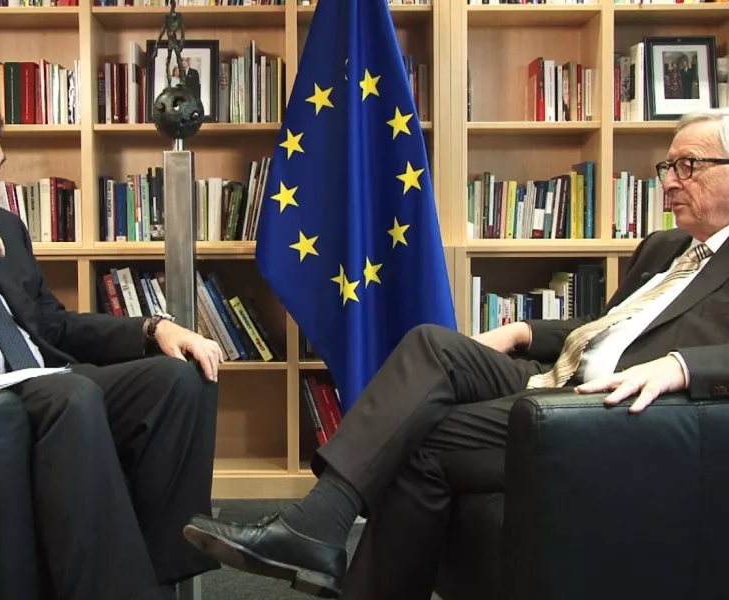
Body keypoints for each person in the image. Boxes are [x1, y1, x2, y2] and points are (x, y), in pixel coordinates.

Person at [183, 107, 729, 599]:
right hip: (557, 377)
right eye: (668, 167)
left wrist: (680, 367)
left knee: (414, 440)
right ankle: (318, 523)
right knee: (432, 343)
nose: (669, 181)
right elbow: (607, 326)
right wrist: (521, 332)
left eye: (689, 166)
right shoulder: (664, 248)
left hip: (615, 413)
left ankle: (314, 529)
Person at [0, 93, 224, 600]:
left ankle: (160, 573)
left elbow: (51, 325)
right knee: (72, 395)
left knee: (179, 376)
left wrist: (153, 328)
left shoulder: (5, 227)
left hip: (42, 384)